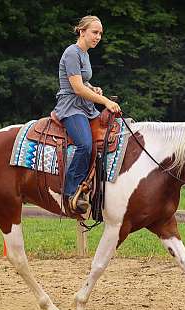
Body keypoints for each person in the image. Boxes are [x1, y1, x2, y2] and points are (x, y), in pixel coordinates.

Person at [53, 15, 121, 215]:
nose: (98, 37)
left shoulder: (84, 54)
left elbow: (83, 83)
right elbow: (77, 88)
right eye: (94, 32)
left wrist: (94, 88)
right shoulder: (72, 53)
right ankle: (70, 191)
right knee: (84, 144)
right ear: (82, 31)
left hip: (85, 106)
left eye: (100, 33)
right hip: (71, 106)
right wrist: (106, 101)